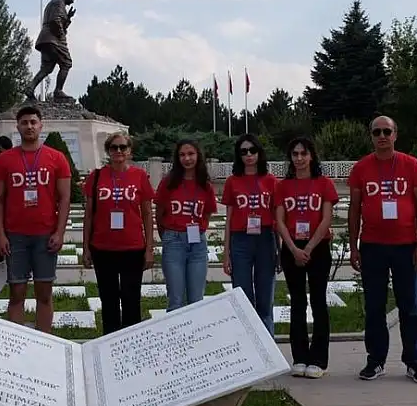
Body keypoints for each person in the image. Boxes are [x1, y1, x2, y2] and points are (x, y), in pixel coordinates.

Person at [348, 115, 417, 384]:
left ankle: (414, 362)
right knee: (374, 307)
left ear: (395, 135)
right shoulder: (362, 168)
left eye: (387, 131)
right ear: (371, 136)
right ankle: (376, 360)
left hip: (405, 247)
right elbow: (354, 210)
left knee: (410, 307)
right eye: (376, 132)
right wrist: (353, 247)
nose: (382, 136)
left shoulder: (411, 165)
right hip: (372, 247)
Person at [0, 105, 72, 333]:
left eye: (33, 122)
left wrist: (60, 232)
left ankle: (45, 344)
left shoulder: (57, 158)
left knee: (44, 293)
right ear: (18, 127)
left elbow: (65, 198)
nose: (29, 126)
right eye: (24, 123)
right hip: (15, 236)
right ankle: (18, 345)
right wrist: (1, 235)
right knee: (17, 293)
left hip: (45, 235)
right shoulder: (5, 160)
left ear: (41, 125)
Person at [274, 137, 338, 379]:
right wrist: (293, 249)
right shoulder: (283, 186)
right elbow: (279, 220)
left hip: (317, 246)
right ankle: (299, 357)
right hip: (292, 248)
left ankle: (319, 359)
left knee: (318, 302)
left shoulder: (323, 184)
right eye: (294, 154)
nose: (299, 158)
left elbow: (326, 219)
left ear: (311, 155)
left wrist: (309, 249)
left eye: (303, 153)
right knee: (297, 302)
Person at [81, 132, 155, 334]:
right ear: (108, 151)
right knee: (109, 299)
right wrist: (85, 247)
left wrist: (149, 248)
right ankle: (109, 344)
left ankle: (131, 344)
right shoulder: (96, 177)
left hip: (132, 247)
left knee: (131, 299)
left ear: (130, 151)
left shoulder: (139, 176)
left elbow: (147, 214)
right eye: (114, 147)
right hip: (102, 248)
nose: (119, 151)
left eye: (123, 147)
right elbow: (88, 215)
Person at [221, 133, 279, 334]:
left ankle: (269, 347)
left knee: (265, 297)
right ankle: (249, 347)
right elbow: (228, 219)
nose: (248, 155)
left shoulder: (271, 181)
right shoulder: (232, 182)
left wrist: (279, 248)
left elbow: (278, 217)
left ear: (259, 152)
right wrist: (226, 252)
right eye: (243, 151)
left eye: (252, 150)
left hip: (265, 238)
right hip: (240, 240)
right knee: (243, 296)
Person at [156, 139, 217, 311]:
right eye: (182, 155)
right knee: (175, 299)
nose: (187, 158)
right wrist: (167, 236)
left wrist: (200, 227)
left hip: (197, 243)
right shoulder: (168, 182)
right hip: (173, 240)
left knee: (196, 300)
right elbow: (159, 213)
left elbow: (208, 212)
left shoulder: (205, 184)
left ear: (198, 156)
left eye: (191, 154)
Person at [26, 0, 80, 102]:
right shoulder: (58, 3)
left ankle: (30, 87)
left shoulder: (55, 3)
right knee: (66, 63)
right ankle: (58, 91)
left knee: (47, 68)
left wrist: (68, 18)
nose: (73, 1)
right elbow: (55, 21)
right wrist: (61, 36)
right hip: (53, 40)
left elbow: (58, 20)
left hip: (46, 39)